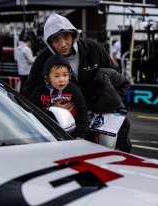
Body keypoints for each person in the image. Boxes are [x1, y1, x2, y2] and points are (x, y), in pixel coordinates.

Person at [22, 13, 132, 152]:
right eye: (56, 39)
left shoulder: (93, 48)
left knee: (118, 156)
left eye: (66, 37)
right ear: (49, 42)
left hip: (106, 123)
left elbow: (117, 80)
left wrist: (107, 101)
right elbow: (27, 94)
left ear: (74, 34)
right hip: (70, 130)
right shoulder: (43, 60)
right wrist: (50, 105)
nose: (62, 44)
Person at [29, 54, 88, 139]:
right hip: (46, 131)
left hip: (71, 133)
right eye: (57, 76)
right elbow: (30, 108)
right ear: (48, 78)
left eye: (65, 75)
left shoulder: (74, 90)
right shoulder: (40, 90)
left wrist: (80, 134)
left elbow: (82, 111)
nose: (62, 79)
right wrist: (47, 109)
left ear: (69, 75)